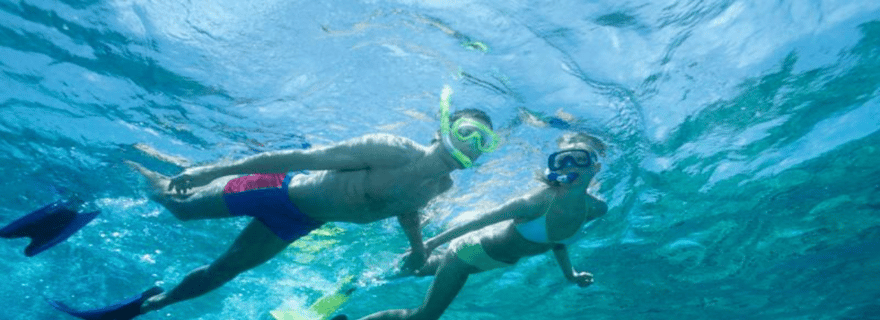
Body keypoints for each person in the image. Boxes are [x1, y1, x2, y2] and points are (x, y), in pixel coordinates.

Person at [48, 87, 500, 320]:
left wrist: (418, 248)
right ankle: (130, 164)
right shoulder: (391, 150)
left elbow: (406, 211)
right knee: (179, 207)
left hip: (299, 221)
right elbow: (297, 158)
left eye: (484, 143)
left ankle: (148, 306)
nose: (472, 146)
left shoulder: (440, 186)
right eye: (467, 133)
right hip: (276, 187)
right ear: (443, 128)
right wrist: (208, 172)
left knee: (225, 271)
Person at [341, 132, 608, 320]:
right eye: (562, 160)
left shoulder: (595, 209)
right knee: (424, 317)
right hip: (466, 254)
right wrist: (428, 244)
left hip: (490, 262)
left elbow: (556, 241)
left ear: (594, 167)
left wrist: (570, 274)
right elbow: (478, 221)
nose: (570, 166)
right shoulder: (534, 202)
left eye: (579, 158)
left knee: (410, 271)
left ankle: (356, 283)